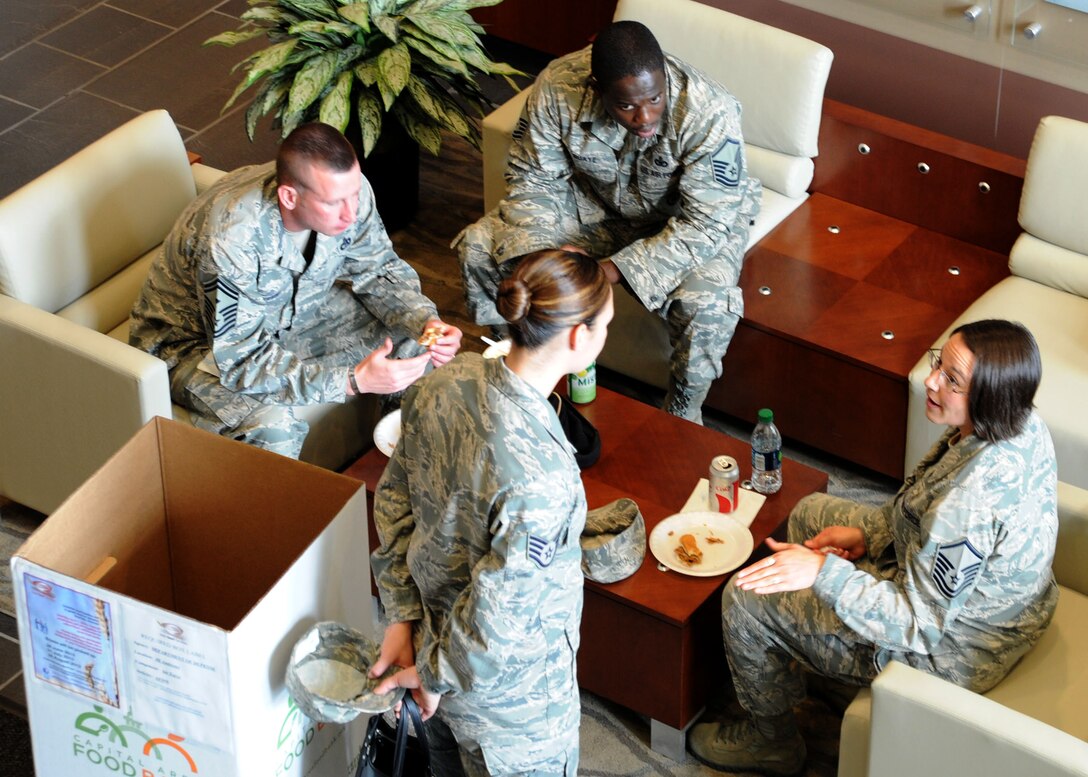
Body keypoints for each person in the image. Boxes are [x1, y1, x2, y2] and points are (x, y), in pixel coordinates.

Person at [688, 319, 1059, 776]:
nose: (931, 380)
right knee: (810, 512)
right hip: (990, 604)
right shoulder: (1017, 418)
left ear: (989, 396)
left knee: (745, 601)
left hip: (954, 649)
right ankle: (799, 652)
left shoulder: (970, 505)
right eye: (939, 362)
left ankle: (772, 744)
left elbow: (917, 627)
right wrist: (871, 534)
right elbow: (923, 502)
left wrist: (822, 575)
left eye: (952, 380)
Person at [368, 249, 614, 776]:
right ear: (578, 337)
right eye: (606, 325)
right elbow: (501, 617)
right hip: (511, 711)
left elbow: (392, 502)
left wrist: (401, 619)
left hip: (425, 649)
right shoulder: (543, 477)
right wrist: (433, 674)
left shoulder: (442, 382)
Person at [456, 20, 761, 423]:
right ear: (597, 89)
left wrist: (610, 270)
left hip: (684, 222)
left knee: (706, 306)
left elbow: (707, 222)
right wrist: (550, 255)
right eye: (627, 106)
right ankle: (511, 368)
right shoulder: (558, 85)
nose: (645, 116)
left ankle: (683, 414)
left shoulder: (708, 109)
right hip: (595, 206)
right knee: (478, 247)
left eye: (655, 98)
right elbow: (533, 178)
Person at [130, 122, 461, 458]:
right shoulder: (232, 241)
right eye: (334, 203)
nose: (350, 213)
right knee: (274, 427)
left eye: (354, 195)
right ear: (289, 196)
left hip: (290, 312)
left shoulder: (348, 190)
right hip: (194, 348)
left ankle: (408, 469)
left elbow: (378, 270)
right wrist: (352, 380)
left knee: (414, 341)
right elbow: (241, 360)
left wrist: (425, 322)